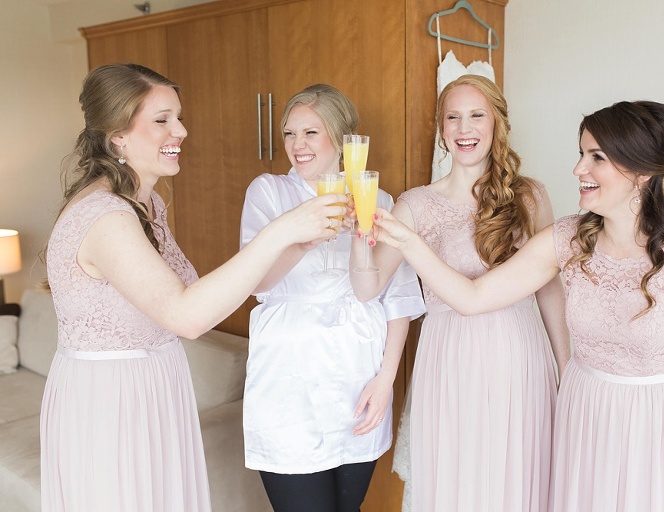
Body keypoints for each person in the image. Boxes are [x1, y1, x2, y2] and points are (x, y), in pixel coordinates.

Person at [370, 100, 664, 512]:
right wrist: (409, 242)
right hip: (586, 424)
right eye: (581, 154)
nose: (579, 169)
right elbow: (472, 298)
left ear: (641, 172)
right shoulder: (566, 240)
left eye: (596, 157)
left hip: (662, 430)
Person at [40, 63, 344, 512]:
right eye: (162, 119)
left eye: (178, 117)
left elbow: (200, 295)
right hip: (112, 402)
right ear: (118, 135)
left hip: (155, 386)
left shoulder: (146, 202)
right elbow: (187, 316)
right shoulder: (106, 217)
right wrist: (280, 230)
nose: (180, 130)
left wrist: (299, 243)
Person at [350, 74, 570, 512]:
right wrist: (360, 231)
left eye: (476, 116)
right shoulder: (415, 204)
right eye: (453, 117)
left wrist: (567, 369)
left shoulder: (529, 196)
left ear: (497, 123)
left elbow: (549, 289)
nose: (464, 128)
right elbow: (367, 287)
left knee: (517, 474)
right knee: (457, 476)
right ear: (441, 128)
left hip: (518, 353)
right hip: (449, 357)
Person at [239, 83, 426, 512]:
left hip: (358, 373)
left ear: (342, 138)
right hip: (289, 372)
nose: (297, 145)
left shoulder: (378, 199)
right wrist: (304, 238)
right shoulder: (269, 192)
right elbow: (257, 282)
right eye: (289, 133)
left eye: (310, 132)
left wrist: (385, 381)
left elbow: (397, 299)